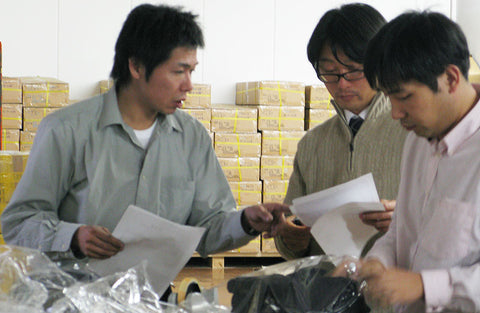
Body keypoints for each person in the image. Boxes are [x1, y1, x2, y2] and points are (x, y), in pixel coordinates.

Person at [1, 4, 288, 266]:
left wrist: (246, 222)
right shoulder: (66, 131)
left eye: (192, 71)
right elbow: (19, 222)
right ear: (136, 65)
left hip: (151, 299)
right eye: (179, 71)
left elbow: (208, 227)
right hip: (73, 299)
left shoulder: (191, 138)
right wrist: (73, 237)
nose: (189, 85)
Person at [345, 11, 480, 312]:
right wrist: (378, 264)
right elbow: (401, 232)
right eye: (388, 98)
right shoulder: (417, 141)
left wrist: (425, 285)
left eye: (404, 97)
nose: (395, 113)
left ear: (451, 78)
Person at [273, 3, 407, 260]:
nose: (342, 83)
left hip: (398, 292)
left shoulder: (414, 133)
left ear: (380, 63)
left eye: (354, 70)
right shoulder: (313, 144)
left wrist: (404, 220)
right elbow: (290, 230)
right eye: (330, 73)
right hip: (331, 292)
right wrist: (291, 237)